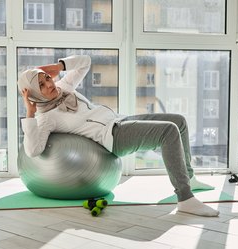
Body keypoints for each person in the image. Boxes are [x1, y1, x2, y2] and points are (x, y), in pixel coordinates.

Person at [17, 55, 219, 217]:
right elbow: (33, 150)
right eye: (41, 86)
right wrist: (30, 112)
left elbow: (85, 62)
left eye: (47, 79)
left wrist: (59, 66)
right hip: (112, 136)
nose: (49, 85)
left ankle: (190, 177)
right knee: (168, 131)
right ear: (34, 94)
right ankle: (185, 198)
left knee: (179, 121)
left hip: (119, 120)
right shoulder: (45, 118)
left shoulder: (64, 87)